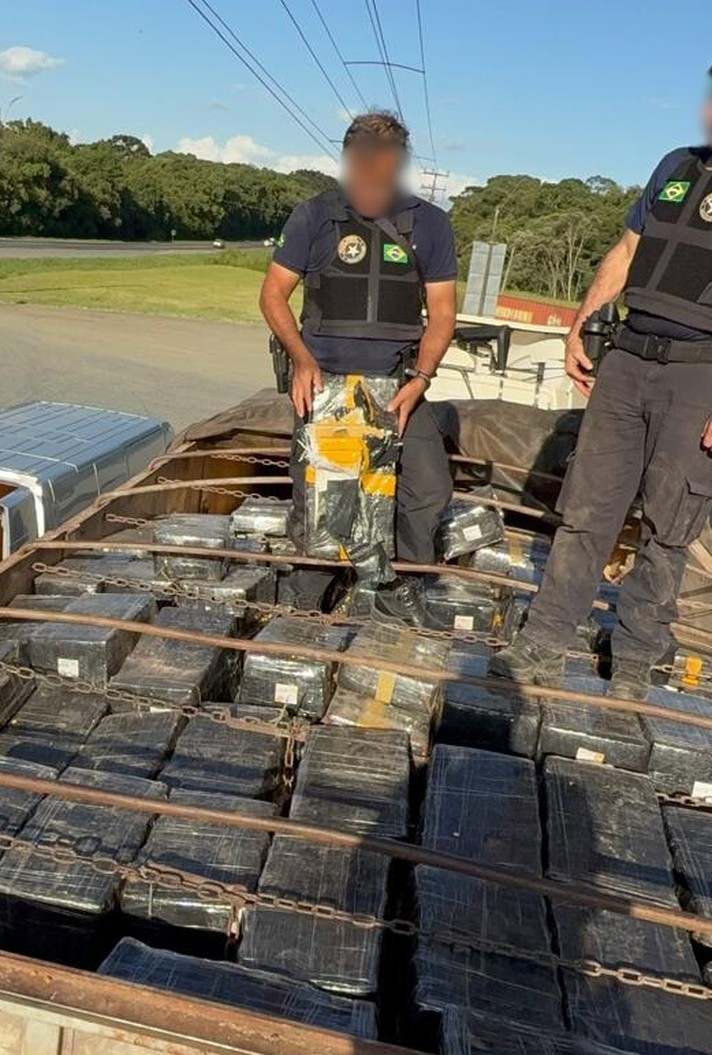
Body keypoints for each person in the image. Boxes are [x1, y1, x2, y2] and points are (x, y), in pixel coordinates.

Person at [490, 70, 712, 698]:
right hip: (627, 360)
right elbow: (626, 248)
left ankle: (637, 655)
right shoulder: (676, 164)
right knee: (587, 511)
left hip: (701, 375)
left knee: (672, 523)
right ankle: (543, 641)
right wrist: (579, 323)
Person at [260, 110, 458, 624]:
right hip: (325, 385)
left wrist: (420, 380)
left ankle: (400, 589)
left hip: (397, 386)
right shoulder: (314, 216)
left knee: (429, 491)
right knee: (325, 506)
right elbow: (274, 296)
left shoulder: (431, 225)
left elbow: (442, 315)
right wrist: (301, 360)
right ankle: (307, 608)